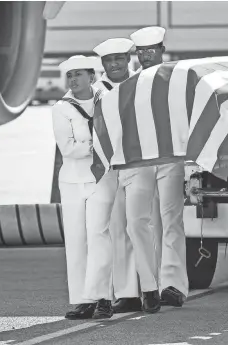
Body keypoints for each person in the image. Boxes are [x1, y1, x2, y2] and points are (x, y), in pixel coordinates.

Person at [130, 26, 189, 309]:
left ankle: (173, 285)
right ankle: (149, 284)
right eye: (141, 51)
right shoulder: (131, 83)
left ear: (161, 50)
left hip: (169, 156)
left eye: (150, 50)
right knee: (144, 221)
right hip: (142, 159)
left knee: (171, 220)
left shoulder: (175, 79)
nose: (145, 56)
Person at [53, 55, 115, 320]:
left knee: (98, 236)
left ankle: (103, 298)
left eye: (78, 74)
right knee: (77, 241)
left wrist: (95, 147)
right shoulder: (61, 108)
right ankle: (82, 301)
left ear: (92, 77)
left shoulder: (108, 101)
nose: (73, 80)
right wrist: (95, 146)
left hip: (101, 178)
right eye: (69, 75)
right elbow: (67, 148)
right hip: (72, 180)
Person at [92, 38, 143, 313]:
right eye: (109, 60)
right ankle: (127, 292)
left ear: (128, 60)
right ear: (103, 64)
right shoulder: (97, 91)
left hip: (139, 163)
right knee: (117, 229)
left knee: (145, 227)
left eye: (120, 59)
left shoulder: (143, 84)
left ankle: (151, 287)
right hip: (111, 168)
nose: (115, 64)